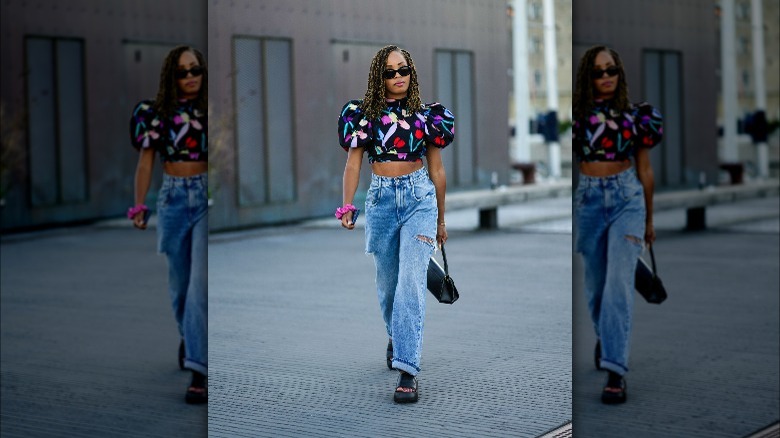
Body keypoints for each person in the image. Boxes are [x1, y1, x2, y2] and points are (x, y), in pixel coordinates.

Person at [337, 45, 455, 403]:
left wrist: (441, 221)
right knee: (388, 286)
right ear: (379, 76)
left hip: (420, 200)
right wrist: (346, 205)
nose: (398, 76)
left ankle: (408, 370)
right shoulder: (363, 114)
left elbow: (437, 170)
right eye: (389, 72)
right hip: (382, 202)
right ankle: (398, 335)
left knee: (409, 283)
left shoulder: (427, 116)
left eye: (403, 69)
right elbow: (354, 164)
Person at [572, 46, 663, 404]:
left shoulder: (637, 116)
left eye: (611, 70)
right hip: (590, 201)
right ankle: (607, 337)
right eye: (597, 72)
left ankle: (615, 371)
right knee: (595, 287)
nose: (606, 76)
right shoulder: (578, 116)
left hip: (627, 199)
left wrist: (650, 220)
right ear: (588, 78)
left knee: (617, 286)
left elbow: (645, 170)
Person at [128, 45, 208, 404]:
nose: (190, 77)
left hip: (206, 198)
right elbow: (146, 162)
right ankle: (188, 337)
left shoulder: (210, 110)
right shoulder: (155, 114)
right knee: (179, 287)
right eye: (182, 72)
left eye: (196, 69)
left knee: (198, 286)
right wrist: (139, 204)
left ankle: (199, 370)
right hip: (174, 199)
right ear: (170, 78)